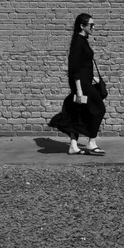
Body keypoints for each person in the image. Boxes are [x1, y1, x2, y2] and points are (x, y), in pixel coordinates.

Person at [47, 13, 107, 155]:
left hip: (87, 82)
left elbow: (84, 64)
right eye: (91, 25)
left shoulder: (83, 40)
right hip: (82, 85)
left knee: (78, 113)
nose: (93, 27)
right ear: (82, 26)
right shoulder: (77, 42)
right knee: (99, 109)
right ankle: (92, 143)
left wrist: (94, 78)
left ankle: (73, 145)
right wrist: (79, 90)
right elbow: (74, 69)